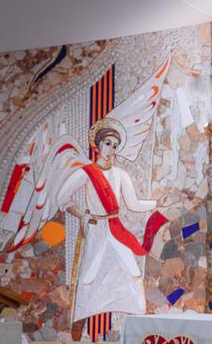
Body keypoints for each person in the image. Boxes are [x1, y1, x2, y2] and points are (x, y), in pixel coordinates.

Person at [56, 120, 158, 323]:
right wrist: (81, 215)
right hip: (96, 229)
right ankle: (81, 318)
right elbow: (62, 197)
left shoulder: (120, 175)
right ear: (98, 145)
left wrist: (157, 204)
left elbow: (134, 204)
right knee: (89, 275)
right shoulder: (87, 172)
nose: (111, 149)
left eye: (115, 146)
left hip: (115, 228)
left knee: (132, 270)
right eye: (108, 144)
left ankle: (137, 316)